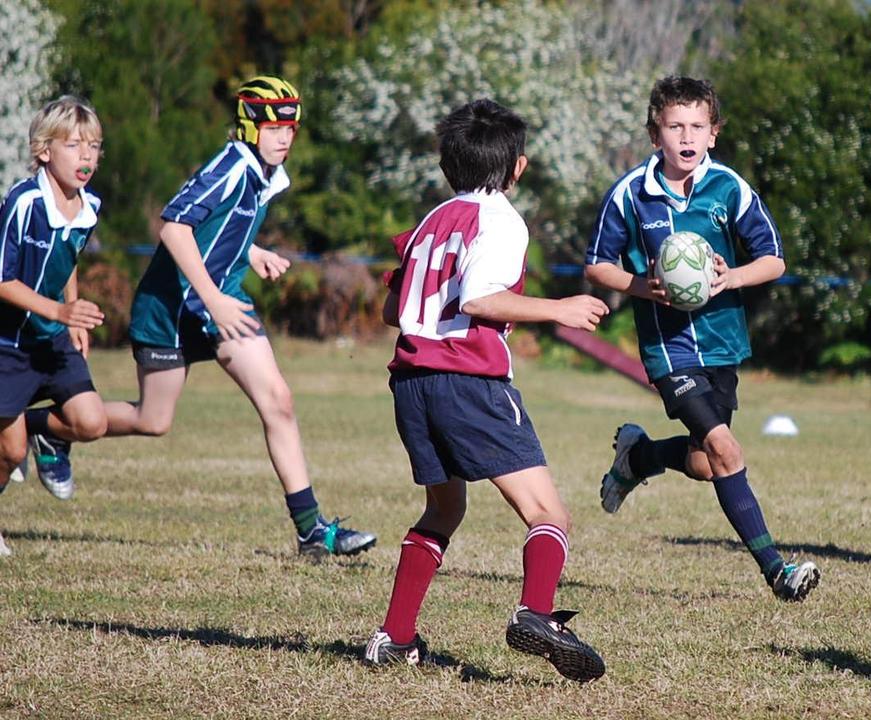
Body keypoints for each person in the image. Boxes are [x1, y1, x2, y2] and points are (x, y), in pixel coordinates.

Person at [48, 76, 373, 557]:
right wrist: (213, 297)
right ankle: (46, 430)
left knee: (278, 400)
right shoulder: (233, 165)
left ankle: (311, 531)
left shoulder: (264, 172)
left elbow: (219, 226)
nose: (284, 136)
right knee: (152, 420)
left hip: (221, 303)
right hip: (170, 308)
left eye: (291, 128)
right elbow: (173, 225)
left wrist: (252, 251)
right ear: (248, 125)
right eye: (273, 126)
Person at [363, 98, 608, 681]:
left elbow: (393, 310)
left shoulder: (432, 221)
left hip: (411, 382)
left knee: (444, 508)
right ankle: (538, 614)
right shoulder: (499, 220)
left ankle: (394, 638)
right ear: (517, 168)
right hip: (468, 382)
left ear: (449, 167)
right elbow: (479, 299)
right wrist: (560, 308)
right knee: (548, 512)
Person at [582, 75, 820, 602]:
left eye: (697, 126)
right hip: (669, 350)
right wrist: (644, 286)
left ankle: (637, 458)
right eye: (674, 126)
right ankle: (778, 572)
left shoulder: (730, 188)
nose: (686, 137)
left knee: (701, 462)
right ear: (654, 134)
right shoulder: (630, 195)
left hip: (722, 342)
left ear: (714, 133)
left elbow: (774, 259)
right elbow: (598, 266)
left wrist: (729, 276)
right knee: (726, 451)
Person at [0, 96, 111, 556]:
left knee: (92, 422)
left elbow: (67, 260)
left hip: (52, 339)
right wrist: (60, 312)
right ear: (44, 150)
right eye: (74, 145)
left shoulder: (89, 207)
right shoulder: (24, 202)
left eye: (94, 146)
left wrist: (73, 310)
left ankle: (40, 429)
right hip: (8, 345)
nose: (86, 157)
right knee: (8, 454)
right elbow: (2, 280)